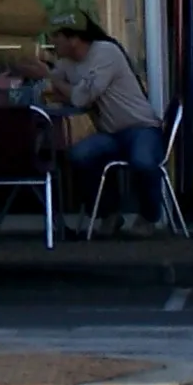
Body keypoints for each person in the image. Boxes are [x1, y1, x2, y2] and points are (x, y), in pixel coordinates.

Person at [43, 14, 167, 233]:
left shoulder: (105, 53)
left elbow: (83, 97)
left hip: (141, 127)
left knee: (143, 160)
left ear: (74, 39)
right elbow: (50, 89)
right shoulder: (66, 63)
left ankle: (149, 217)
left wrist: (55, 82)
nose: (52, 41)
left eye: (57, 36)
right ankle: (109, 214)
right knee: (80, 155)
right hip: (110, 133)